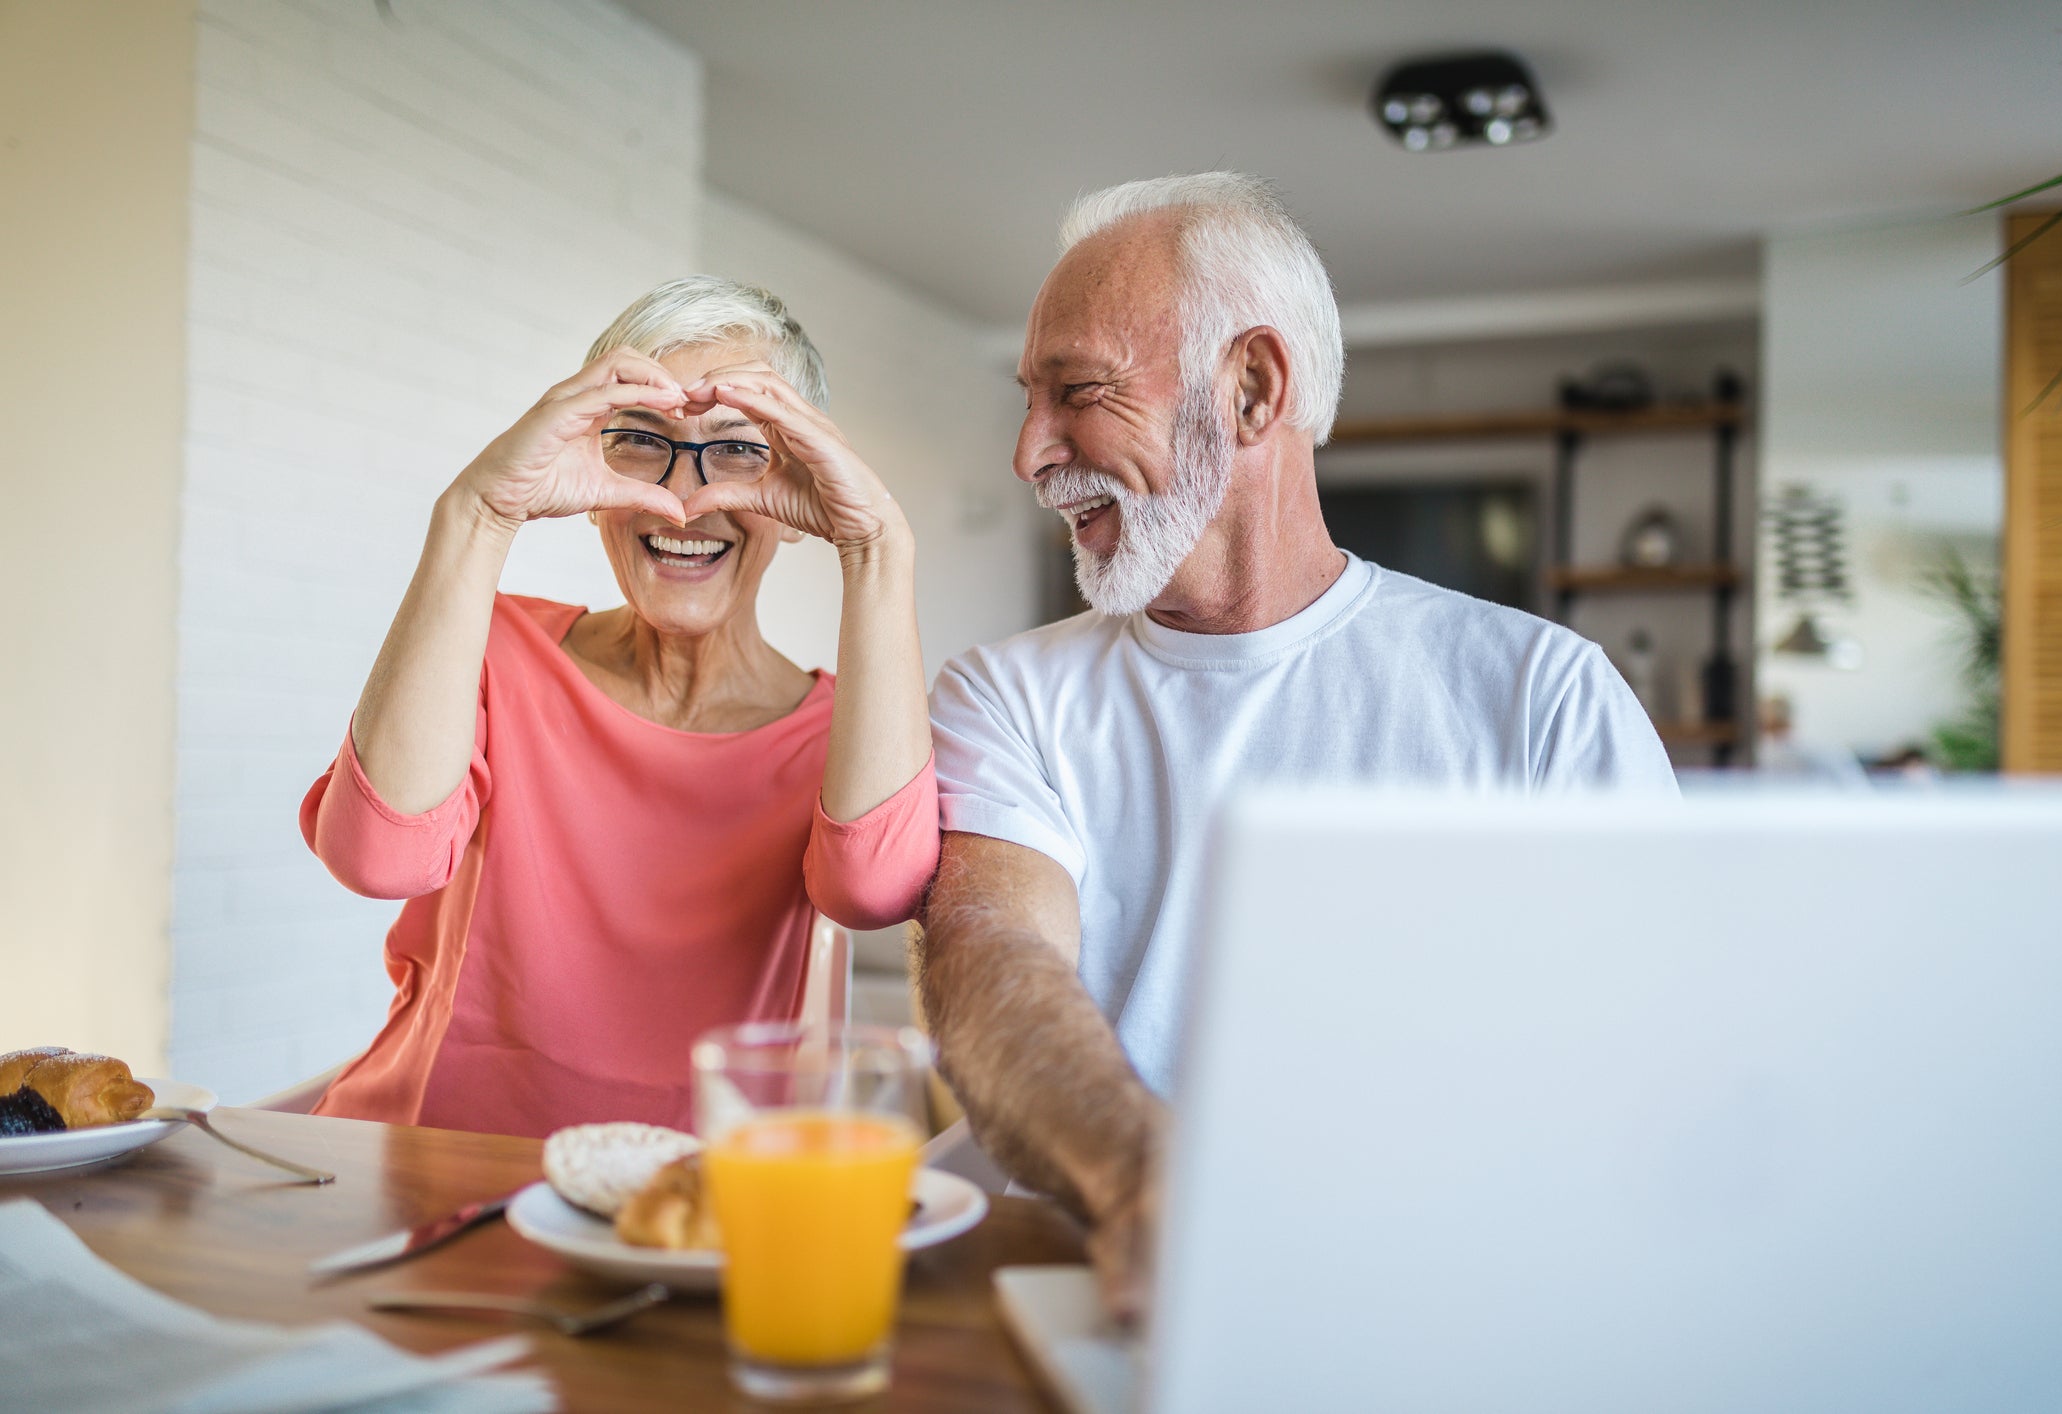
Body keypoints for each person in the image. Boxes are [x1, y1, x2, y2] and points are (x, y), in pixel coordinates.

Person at [917, 173, 1677, 1313]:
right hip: (1085, 1278)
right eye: (1030, 400)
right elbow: (991, 958)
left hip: (1434, 1287)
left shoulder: (1541, 693)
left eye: (1076, 391)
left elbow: (1649, 1046)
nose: (1030, 453)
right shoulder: (1007, 691)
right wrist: (1147, 1184)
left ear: (1253, 388)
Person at [299, 276, 936, 1138]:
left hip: (688, 1215)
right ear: (593, 474)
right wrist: (478, 510)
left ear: (797, 490)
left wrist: (876, 545)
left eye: (739, 450)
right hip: (424, 1175)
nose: (685, 496)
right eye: (642, 441)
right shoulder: (496, 648)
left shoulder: (839, 734)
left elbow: (872, 891)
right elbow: (378, 857)